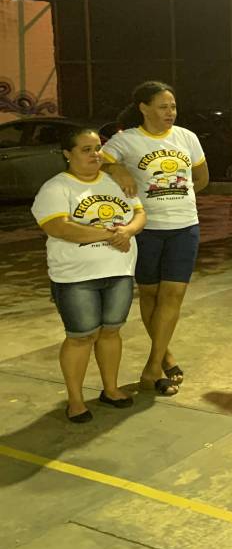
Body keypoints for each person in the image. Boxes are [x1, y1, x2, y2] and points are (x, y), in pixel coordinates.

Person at [32, 127, 146, 422]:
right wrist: (112, 235)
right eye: (86, 149)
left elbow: (139, 213)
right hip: (75, 278)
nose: (95, 154)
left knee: (110, 332)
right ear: (67, 154)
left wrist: (129, 231)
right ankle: (75, 400)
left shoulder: (116, 182)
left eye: (97, 148)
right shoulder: (56, 188)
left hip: (119, 272)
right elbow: (60, 228)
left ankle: (111, 389)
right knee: (80, 337)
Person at [102, 81, 208, 396]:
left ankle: (153, 364)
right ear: (144, 108)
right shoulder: (126, 141)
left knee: (173, 295)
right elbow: (96, 162)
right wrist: (117, 169)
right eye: (163, 107)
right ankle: (166, 356)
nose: (170, 112)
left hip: (184, 227)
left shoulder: (187, 138)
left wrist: (176, 196)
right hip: (145, 229)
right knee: (150, 295)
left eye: (173, 106)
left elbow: (201, 178)